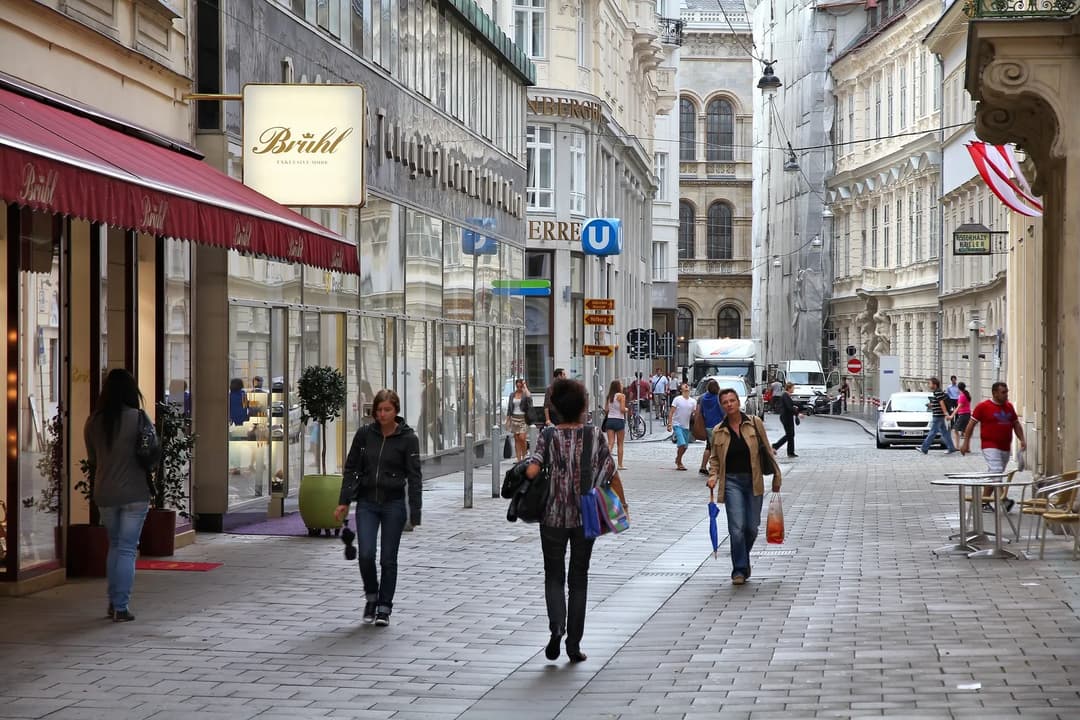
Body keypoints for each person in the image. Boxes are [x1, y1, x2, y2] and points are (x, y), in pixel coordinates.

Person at [523, 377, 617, 663]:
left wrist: (536, 470)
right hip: (584, 516)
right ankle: (573, 644)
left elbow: (532, 469)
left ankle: (556, 626)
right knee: (579, 579)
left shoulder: (548, 436)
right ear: (582, 407)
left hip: (551, 515)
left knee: (553, 575)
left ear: (557, 408)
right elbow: (608, 469)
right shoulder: (595, 435)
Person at [335, 389, 422, 627]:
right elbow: (351, 468)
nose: (382, 414)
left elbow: (415, 476)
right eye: (379, 410)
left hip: (393, 503)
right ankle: (371, 596)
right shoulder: (364, 435)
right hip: (367, 502)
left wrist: (415, 512)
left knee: (388, 559)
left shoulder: (408, 438)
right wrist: (344, 501)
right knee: (365, 554)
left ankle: (384, 607)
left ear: (396, 411)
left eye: (387, 410)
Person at [84, 369, 153, 623]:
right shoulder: (139, 418)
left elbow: (92, 459)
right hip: (135, 492)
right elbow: (151, 452)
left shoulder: (94, 422)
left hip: (105, 492)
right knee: (126, 549)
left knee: (115, 546)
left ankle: (113, 602)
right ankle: (121, 606)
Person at [706, 387, 782, 585]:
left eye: (732, 400)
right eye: (725, 402)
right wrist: (713, 476)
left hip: (753, 480)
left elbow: (767, 450)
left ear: (738, 402)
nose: (729, 404)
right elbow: (714, 459)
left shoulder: (754, 423)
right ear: (721, 406)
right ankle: (739, 569)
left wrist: (776, 476)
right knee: (737, 528)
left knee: (752, 528)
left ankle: (743, 559)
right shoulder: (718, 431)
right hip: (731, 482)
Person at [960, 381, 1027, 512]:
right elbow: (971, 425)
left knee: (995, 473)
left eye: (1007, 392)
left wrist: (1022, 439)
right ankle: (1003, 499)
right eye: (1003, 392)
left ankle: (983, 502)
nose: (1006, 394)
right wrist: (966, 442)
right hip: (989, 445)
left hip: (1005, 447)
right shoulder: (983, 407)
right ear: (995, 393)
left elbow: (1016, 424)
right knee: (996, 470)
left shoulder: (1009, 407)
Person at [919, 377, 957, 454]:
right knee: (945, 433)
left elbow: (942, 403)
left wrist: (946, 413)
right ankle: (951, 447)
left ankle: (924, 448)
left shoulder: (937, 392)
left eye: (930, 383)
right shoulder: (937, 392)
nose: (929, 385)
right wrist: (932, 405)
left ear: (935, 385)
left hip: (938, 416)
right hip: (939, 415)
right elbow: (939, 402)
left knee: (932, 432)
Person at [696, 379, 725, 476]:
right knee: (719, 447)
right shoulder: (718, 398)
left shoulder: (703, 398)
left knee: (709, 446)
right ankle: (715, 467)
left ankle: (703, 467)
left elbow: (701, 411)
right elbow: (722, 412)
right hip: (718, 425)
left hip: (708, 425)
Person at [667, 382, 696, 471]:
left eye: (687, 385)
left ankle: (678, 459)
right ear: (681, 390)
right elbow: (671, 412)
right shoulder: (677, 399)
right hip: (677, 424)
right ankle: (679, 462)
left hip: (686, 426)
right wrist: (670, 424)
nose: (686, 386)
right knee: (682, 444)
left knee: (685, 447)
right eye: (684, 385)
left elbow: (694, 413)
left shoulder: (693, 401)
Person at [505, 378, 533, 462]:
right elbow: (509, 408)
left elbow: (530, 399)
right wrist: (508, 420)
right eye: (518, 386)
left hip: (523, 418)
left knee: (522, 438)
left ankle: (524, 455)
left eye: (520, 386)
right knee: (516, 438)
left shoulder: (525, 394)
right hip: (514, 418)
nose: (519, 388)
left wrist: (525, 387)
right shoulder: (512, 395)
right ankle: (518, 458)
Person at [771, 382, 802, 458]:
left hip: (788, 417)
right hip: (786, 417)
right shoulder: (785, 395)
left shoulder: (787, 396)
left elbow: (789, 406)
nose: (794, 389)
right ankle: (776, 446)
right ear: (789, 388)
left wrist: (795, 409)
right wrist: (797, 413)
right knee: (789, 434)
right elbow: (788, 407)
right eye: (793, 387)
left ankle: (790, 452)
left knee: (791, 434)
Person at [603, 380, 628, 470]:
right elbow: (622, 409)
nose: (622, 386)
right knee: (620, 444)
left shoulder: (609, 397)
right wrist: (626, 409)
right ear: (618, 387)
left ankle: (605, 463)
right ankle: (620, 465)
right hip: (619, 420)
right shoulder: (621, 396)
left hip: (610, 420)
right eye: (621, 384)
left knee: (610, 443)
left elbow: (606, 410)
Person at [950, 381, 972, 449]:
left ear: (958, 388)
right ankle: (967, 447)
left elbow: (959, 407)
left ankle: (957, 447)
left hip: (963, 415)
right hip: (967, 414)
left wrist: (952, 415)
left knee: (955, 430)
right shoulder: (966, 394)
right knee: (965, 431)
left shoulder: (962, 396)